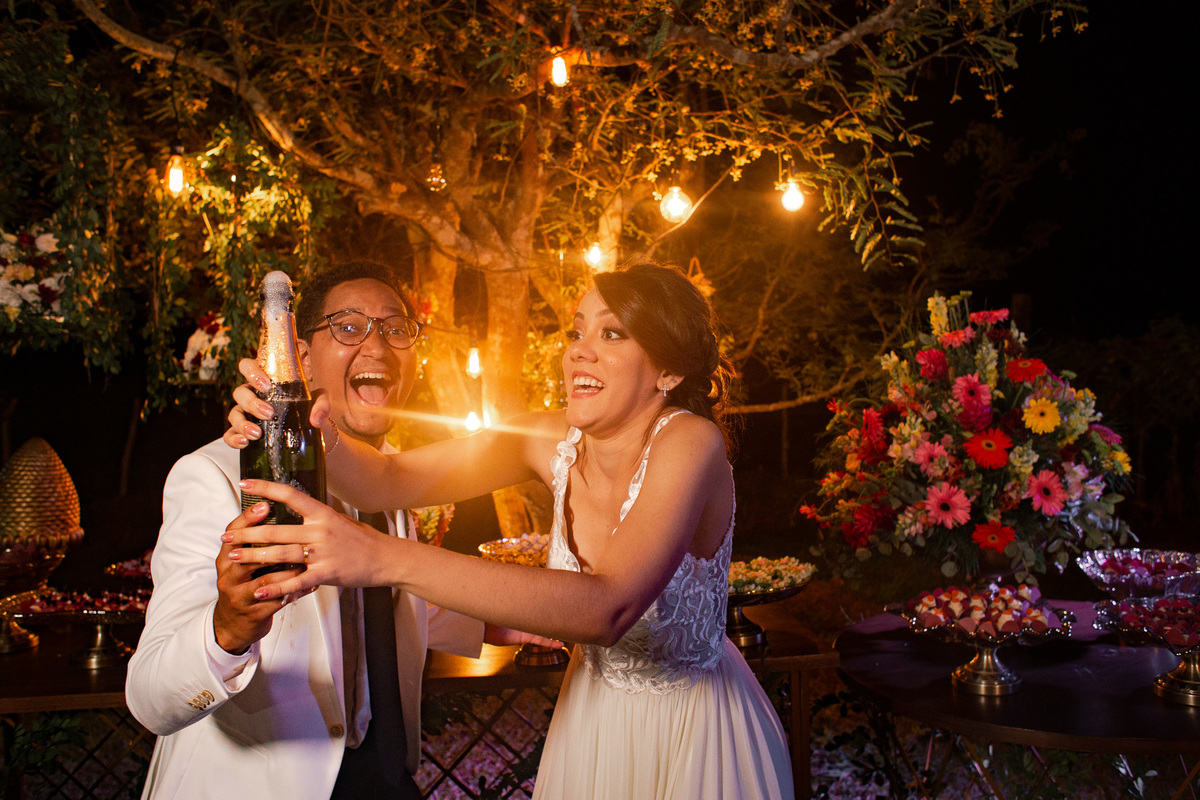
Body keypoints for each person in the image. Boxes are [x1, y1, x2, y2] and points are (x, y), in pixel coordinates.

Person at [224, 260, 795, 799]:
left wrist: (381, 556)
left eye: (613, 335)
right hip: (592, 721)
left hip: (690, 732)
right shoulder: (545, 439)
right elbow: (386, 479)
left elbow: (608, 610)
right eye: (576, 334)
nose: (579, 354)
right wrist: (291, 420)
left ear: (669, 369)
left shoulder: (691, 442)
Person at [127, 261, 548, 800]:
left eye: (396, 329)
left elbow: (384, 599)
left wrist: (504, 622)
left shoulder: (396, 479)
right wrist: (227, 628)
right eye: (349, 327)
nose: (377, 346)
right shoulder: (214, 477)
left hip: (385, 780)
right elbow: (149, 697)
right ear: (300, 357)